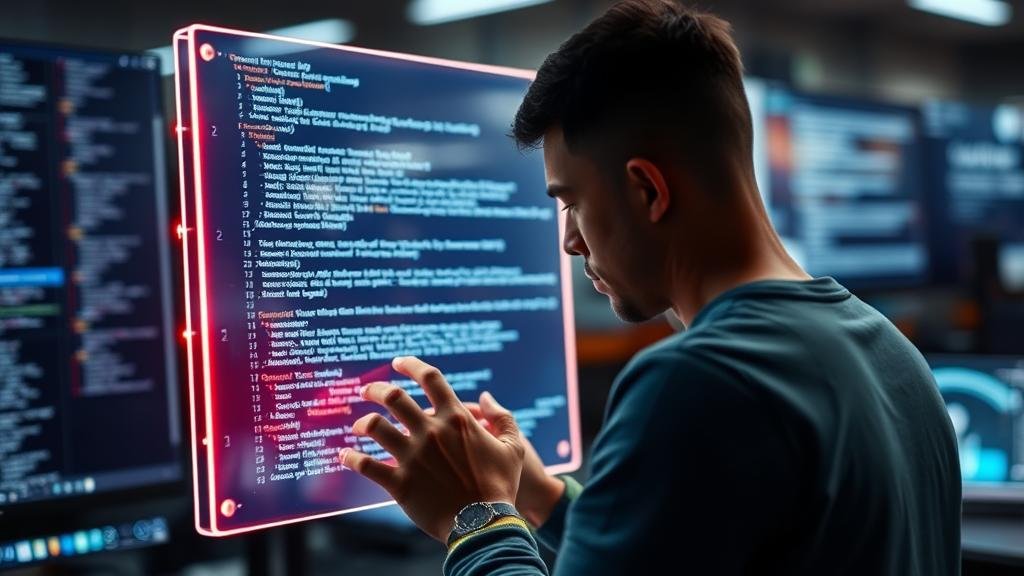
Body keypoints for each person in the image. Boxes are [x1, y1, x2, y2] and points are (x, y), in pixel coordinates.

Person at [340, 1, 963, 574]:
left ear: (648, 190)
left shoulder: (698, 381)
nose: (570, 241)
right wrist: (538, 492)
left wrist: (474, 519)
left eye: (572, 203)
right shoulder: (893, 354)